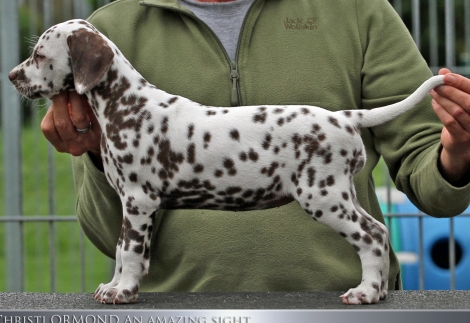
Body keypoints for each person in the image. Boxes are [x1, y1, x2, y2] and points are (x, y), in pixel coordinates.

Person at [41, 0, 470, 293]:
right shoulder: (107, 35)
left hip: (332, 310)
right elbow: (105, 227)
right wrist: (97, 152)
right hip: (175, 309)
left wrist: (459, 153)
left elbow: (428, 168)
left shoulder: (355, 10)